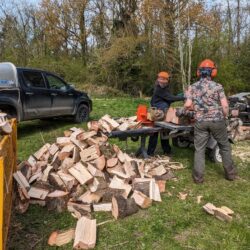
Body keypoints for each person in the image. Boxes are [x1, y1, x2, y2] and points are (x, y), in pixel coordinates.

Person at [184, 59, 237, 183]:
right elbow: (224, 106)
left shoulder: (192, 87)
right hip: (217, 121)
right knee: (224, 146)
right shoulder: (218, 87)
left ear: (199, 72)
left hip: (200, 122)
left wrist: (191, 108)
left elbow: (187, 104)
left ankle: (198, 178)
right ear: (213, 72)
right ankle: (231, 175)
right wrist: (225, 116)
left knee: (199, 149)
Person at [147, 71, 185, 156]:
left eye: (164, 82)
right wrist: (182, 97)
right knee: (154, 133)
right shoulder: (159, 89)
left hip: (163, 111)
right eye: (161, 81)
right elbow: (169, 98)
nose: (162, 83)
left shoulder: (165, 88)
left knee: (165, 132)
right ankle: (150, 153)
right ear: (158, 80)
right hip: (157, 113)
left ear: (167, 81)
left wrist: (178, 96)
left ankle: (167, 151)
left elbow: (168, 96)